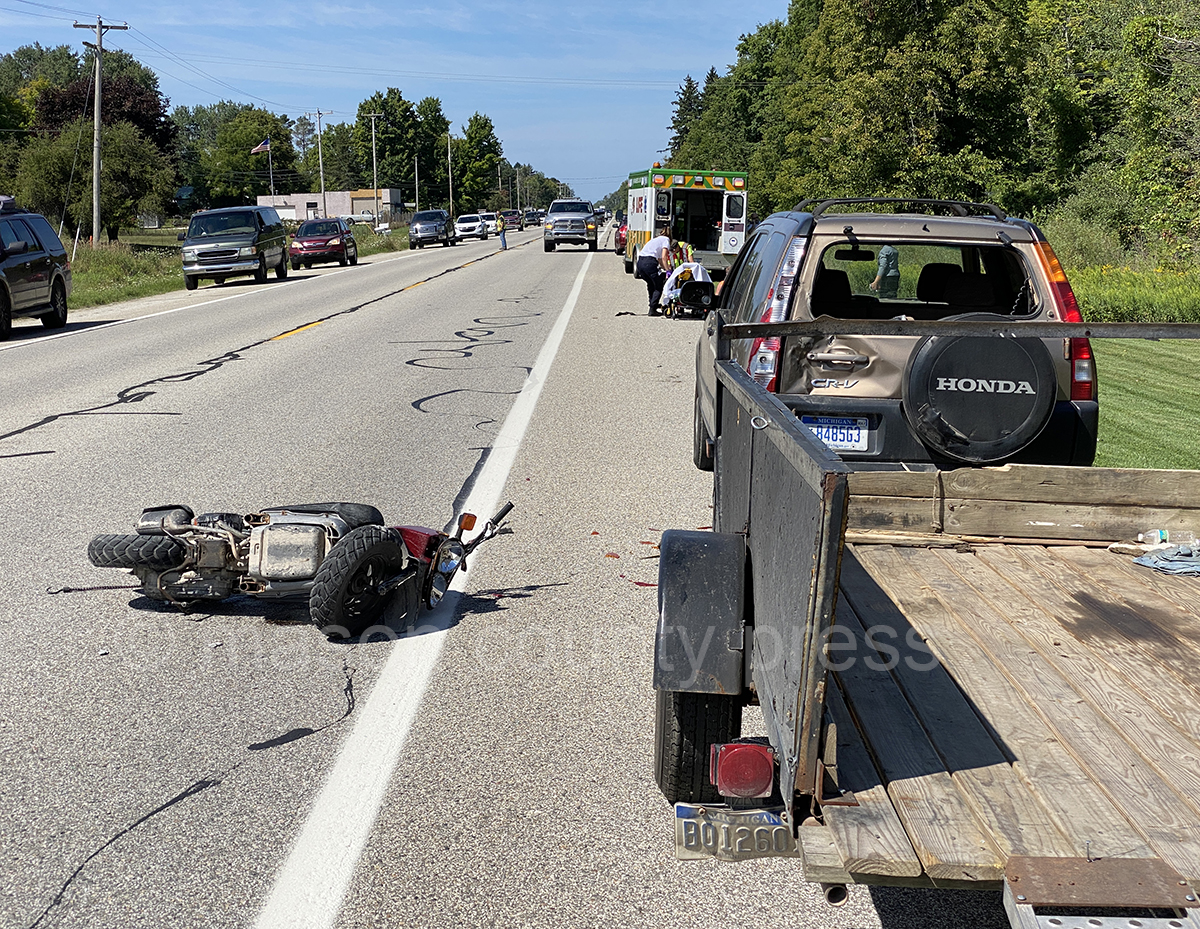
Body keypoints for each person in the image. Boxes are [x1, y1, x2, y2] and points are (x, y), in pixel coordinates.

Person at [636, 223, 673, 315]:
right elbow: (664, 257)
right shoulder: (666, 240)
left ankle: (653, 304)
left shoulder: (655, 240)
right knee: (658, 285)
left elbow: (660, 259)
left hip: (640, 262)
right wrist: (668, 270)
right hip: (650, 262)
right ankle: (652, 308)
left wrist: (665, 267)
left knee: (651, 283)